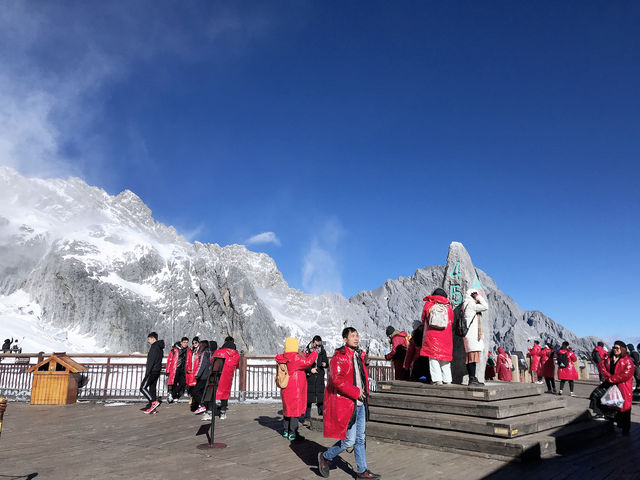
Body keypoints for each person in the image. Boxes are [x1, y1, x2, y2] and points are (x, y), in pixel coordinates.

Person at [318, 327, 380, 479]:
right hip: (348, 404)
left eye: (357, 335)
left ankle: (362, 471)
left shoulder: (358, 355)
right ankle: (325, 456)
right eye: (353, 336)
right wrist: (355, 392)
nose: (356, 338)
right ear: (345, 339)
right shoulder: (339, 357)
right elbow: (336, 380)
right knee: (349, 441)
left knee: (360, 439)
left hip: (360, 404)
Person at [275, 337, 319, 439]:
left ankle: (285, 431)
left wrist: (307, 353)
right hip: (295, 388)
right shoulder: (295, 358)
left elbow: (302, 360)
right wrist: (315, 352)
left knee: (287, 409)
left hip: (286, 387)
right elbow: (307, 362)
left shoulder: (283, 357)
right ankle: (292, 432)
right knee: (295, 410)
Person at [589, 340, 634, 435]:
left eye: (617, 348)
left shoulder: (628, 360)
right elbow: (603, 368)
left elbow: (627, 374)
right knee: (596, 395)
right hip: (610, 383)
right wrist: (608, 378)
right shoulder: (609, 359)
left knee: (624, 408)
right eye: (614, 347)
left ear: (622, 349)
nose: (615, 349)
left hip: (623, 386)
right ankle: (603, 415)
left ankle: (625, 429)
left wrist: (612, 379)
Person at [419, 287, 454, 385]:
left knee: (433, 358)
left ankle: (437, 380)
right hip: (446, 337)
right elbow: (451, 320)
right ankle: (447, 380)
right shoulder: (448, 307)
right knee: (445, 358)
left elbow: (423, 318)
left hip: (432, 336)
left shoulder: (429, 304)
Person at [462, 289, 488, 386]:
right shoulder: (471, 305)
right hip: (473, 336)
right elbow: (485, 306)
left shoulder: (465, 304)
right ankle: (472, 379)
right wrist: (477, 296)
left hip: (469, 335)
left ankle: (473, 378)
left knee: (471, 357)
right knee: (472, 358)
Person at [210, 337, 240, 420]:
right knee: (225, 392)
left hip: (218, 374)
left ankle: (211, 410)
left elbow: (212, 360)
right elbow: (237, 365)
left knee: (214, 390)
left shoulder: (220, 352)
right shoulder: (236, 354)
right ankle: (223, 411)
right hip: (228, 375)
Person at [303, 335, 328, 426]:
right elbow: (304, 363)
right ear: (313, 342)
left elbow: (327, 363)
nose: (317, 344)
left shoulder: (323, 351)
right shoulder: (307, 351)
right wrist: (310, 370)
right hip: (310, 378)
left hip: (320, 377)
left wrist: (325, 364)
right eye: (316, 342)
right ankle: (307, 418)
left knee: (320, 399)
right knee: (308, 400)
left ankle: (321, 418)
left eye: (319, 342)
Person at [140, 332, 165, 414]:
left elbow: (151, 362)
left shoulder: (154, 347)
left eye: (149, 339)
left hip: (152, 371)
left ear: (153, 339)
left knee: (142, 388)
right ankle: (152, 408)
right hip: (157, 370)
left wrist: (147, 372)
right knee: (152, 389)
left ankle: (154, 402)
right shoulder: (160, 347)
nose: (148, 341)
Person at [191, 340, 212, 414]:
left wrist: (197, 374)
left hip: (203, 376)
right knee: (203, 392)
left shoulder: (204, 353)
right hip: (208, 375)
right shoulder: (210, 352)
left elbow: (201, 365)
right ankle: (205, 407)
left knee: (195, 391)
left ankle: (202, 405)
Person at [166, 337, 189, 403]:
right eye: (184, 342)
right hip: (175, 369)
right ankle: (173, 396)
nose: (185, 344)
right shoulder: (174, 350)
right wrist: (168, 370)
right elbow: (169, 360)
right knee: (174, 383)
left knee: (183, 383)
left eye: (187, 342)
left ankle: (173, 395)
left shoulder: (187, 350)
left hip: (183, 369)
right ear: (181, 342)